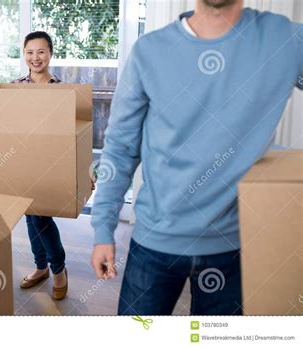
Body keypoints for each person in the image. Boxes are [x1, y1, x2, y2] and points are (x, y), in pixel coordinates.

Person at [91, 0, 303, 315]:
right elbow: (120, 147)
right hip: (154, 243)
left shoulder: (284, 41)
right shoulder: (150, 52)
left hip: (234, 248)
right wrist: (103, 228)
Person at [11, 31, 67, 300]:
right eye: (30, 52)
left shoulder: (61, 89)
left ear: (50, 53)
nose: (35, 58)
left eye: (41, 52)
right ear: (24, 54)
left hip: (51, 162)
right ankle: (41, 267)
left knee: (41, 215)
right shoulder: (14, 87)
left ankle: (57, 269)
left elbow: (72, 133)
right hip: (22, 161)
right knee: (30, 213)